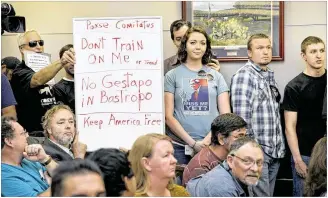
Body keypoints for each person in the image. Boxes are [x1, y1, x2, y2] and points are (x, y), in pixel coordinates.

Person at [164, 26, 231, 165]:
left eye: (203, 43)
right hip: (179, 146)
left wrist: (207, 140)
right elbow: (168, 116)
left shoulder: (217, 76)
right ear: (185, 45)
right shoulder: (172, 75)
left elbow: (225, 116)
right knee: (180, 186)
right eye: (193, 42)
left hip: (212, 144)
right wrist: (193, 143)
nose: (198, 47)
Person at [230, 33, 285, 197]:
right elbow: (241, 121)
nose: (265, 51)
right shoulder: (244, 76)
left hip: (275, 152)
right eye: (260, 48)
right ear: (249, 52)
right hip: (258, 153)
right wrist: (253, 153)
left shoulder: (268, 76)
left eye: (268, 47)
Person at [282, 36, 327, 196]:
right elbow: (289, 127)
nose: (319, 55)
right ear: (303, 56)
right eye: (313, 51)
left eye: (322, 50)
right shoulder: (294, 86)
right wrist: (297, 160)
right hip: (305, 154)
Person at [11, 30, 75, 133]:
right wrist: (62, 61)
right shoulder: (20, 71)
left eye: (41, 43)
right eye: (33, 44)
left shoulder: (47, 69)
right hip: (33, 133)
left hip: (49, 131)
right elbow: (36, 80)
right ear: (21, 49)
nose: (38, 46)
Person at [182, 113, 247, 186]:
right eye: (239, 136)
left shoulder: (233, 156)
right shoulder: (201, 166)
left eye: (245, 136)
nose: (244, 141)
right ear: (221, 139)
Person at [186, 136, 263, 197]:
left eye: (259, 162)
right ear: (230, 161)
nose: (255, 169)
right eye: (247, 161)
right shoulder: (222, 187)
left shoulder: (242, 176)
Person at [1, 116, 58, 197]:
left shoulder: (29, 160)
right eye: (23, 133)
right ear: (9, 141)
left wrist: (45, 159)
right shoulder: (4, 177)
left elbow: (65, 175)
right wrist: (57, 185)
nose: (27, 136)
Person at [52, 44, 76, 112]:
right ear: (62, 63)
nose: (72, 63)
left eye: (74, 59)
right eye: (68, 60)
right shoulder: (58, 88)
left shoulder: (89, 84)